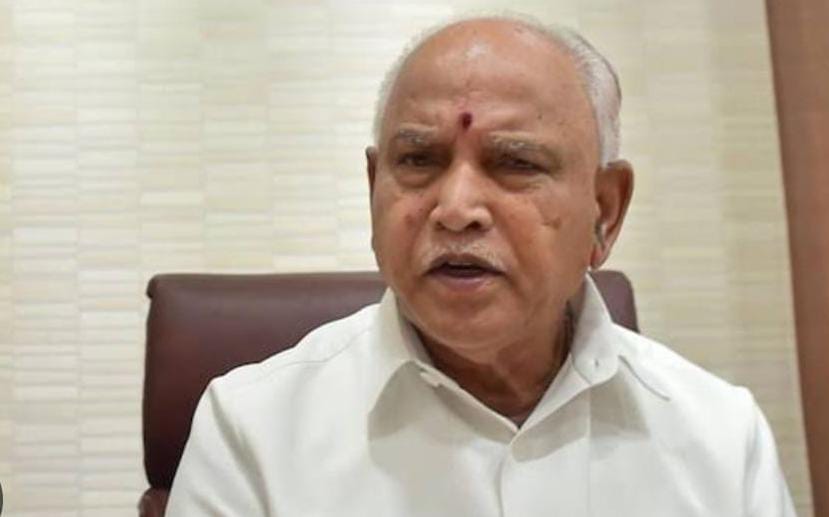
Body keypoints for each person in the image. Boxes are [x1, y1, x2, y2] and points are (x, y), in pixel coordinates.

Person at [165, 14, 797, 516]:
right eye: (418, 160)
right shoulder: (252, 430)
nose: (456, 209)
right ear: (373, 186)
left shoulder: (719, 436)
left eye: (516, 163)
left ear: (604, 211)